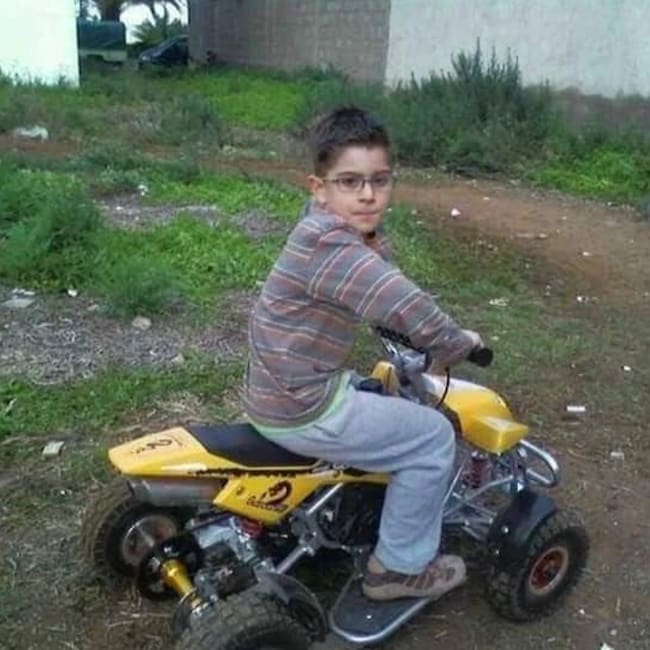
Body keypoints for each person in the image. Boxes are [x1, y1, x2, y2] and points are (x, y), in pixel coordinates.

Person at [242, 106, 483, 601]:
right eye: (350, 182)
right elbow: (404, 302)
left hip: (277, 388)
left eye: (379, 180)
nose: (368, 195)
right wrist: (456, 343)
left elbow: (373, 279)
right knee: (433, 437)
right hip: (302, 406)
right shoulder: (333, 248)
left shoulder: (321, 228)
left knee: (374, 389)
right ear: (319, 187)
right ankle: (396, 570)